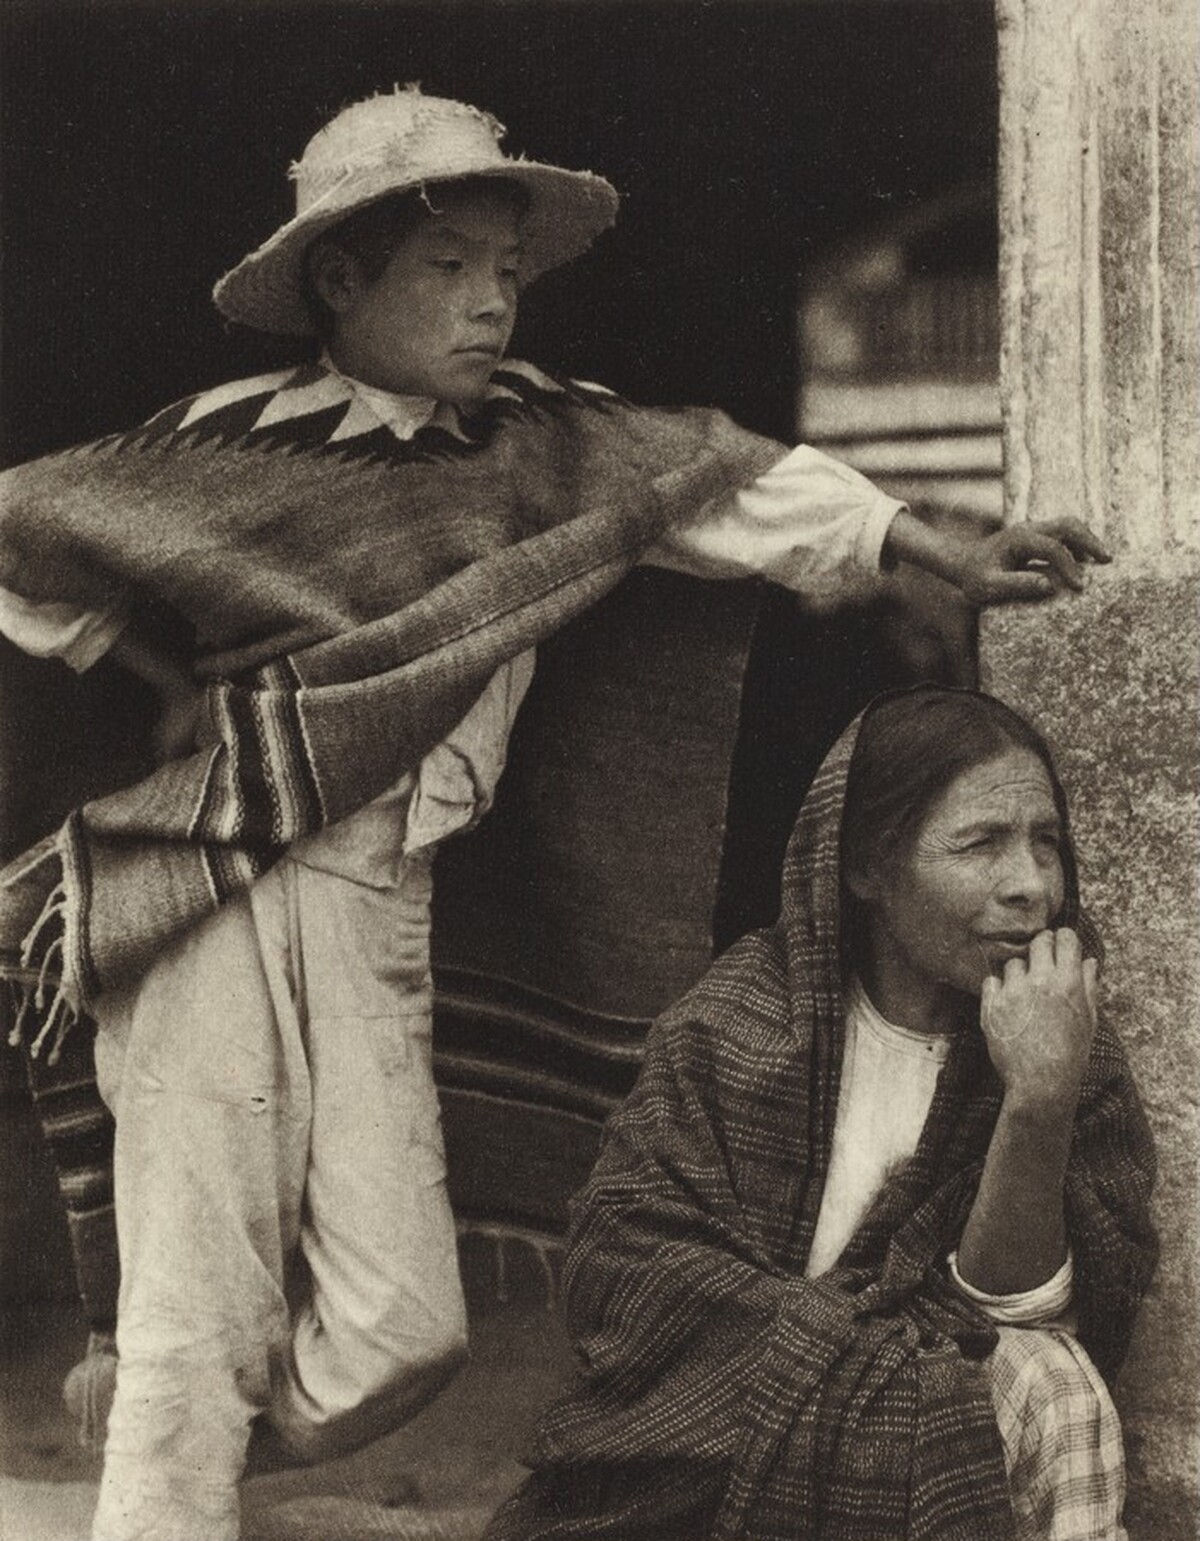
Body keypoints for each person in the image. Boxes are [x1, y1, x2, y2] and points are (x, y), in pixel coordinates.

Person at [0, 89, 1109, 1541]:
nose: (488, 301)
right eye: (447, 266)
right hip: (216, 882)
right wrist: (182, 684)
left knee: (406, 1325)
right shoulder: (231, 441)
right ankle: (159, 1467)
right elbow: (30, 543)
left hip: (379, 895)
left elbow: (732, 483)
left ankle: (132, 1457)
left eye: (506, 270)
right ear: (339, 279)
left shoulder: (545, 442)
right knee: (201, 1299)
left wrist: (930, 545)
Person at [485, 685, 1158, 1541]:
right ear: (866, 866)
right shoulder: (733, 1026)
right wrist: (866, 1369)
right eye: (982, 843)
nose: (1031, 886)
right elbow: (625, 1273)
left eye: (1047, 843)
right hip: (711, 1450)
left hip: (931, 1416)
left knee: (1056, 1389)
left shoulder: (1067, 1043)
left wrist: (1038, 1097)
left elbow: (1019, 1318)